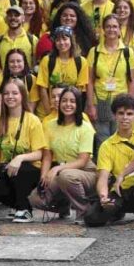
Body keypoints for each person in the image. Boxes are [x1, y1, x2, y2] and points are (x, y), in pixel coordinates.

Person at [85, 94, 134, 228]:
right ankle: (117, 212)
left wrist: (122, 174)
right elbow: (103, 177)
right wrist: (103, 196)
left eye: (129, 114)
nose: (125, 117)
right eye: (121, 113)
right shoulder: (107, 145)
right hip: (121, 190)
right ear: (115, 116)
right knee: (92, 219)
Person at [0, 79, 48, 223]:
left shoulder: (32, 120)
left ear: (22, 95)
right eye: (6, 93)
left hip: (30, 169)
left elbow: (39, 154)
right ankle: (17, 205)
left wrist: (20, 158)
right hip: (7, 167)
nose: (10, 96)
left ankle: (25, 209)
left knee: (20, 171)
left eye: (14, 93)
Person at [29, 86, 96, 221]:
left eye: (72, 101)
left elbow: (83, 160)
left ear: (78, 104)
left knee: (66, 176)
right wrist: (44, 176)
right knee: (35, 199)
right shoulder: (50, 125)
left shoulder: (85, 127)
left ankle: (85, 211)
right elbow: (47, 155)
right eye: (64, 100)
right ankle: (64, 206)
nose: (67, 104)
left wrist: (57, 169)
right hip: (62, 171)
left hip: (85, 171)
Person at [87, 14, 134, 144]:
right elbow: (90, 81)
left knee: (121, 139)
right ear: (103, 29)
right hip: (100, 101)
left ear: (120, 29)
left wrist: (130, 105)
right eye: (108, 26)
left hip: (121, 101)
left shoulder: (128, 52)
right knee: (102, 140)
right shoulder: (94, 52)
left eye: (115, 26)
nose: (111, 29)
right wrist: (90, 105)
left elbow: (131, 81)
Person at [34, 26, 88, 116]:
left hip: (69, 110)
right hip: (48, 110)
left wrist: (73, 113)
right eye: (58, 40)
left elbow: (79, 91)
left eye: (65, 39)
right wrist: (49, 113)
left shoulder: (81, 62)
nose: (62, 43)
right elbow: (42, 88)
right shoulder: (47, 61)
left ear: (71, 41)